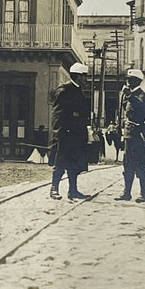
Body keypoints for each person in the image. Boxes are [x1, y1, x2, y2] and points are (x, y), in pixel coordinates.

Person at [49, 62, 90, 201]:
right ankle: (54, 189)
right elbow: (57, 114)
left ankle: (73, 190)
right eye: (85, 77)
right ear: (78, 77)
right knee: (60, 163)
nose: (86, 80)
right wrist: (59, 133)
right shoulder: (64, 90)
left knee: (74, 164)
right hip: (65, 135)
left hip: (77, 135)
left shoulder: (78, 91)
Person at [115, 69, 145, 203]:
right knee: (127, 165)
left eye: (130, 80)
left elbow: (142, 109)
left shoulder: (141, 95)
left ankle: (143, 194)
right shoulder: (128, 95)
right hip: (128, 134)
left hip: (137, 134)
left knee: (140, 164)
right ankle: (127, 193)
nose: (127, 82)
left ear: (137, 81)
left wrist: (130, 96)